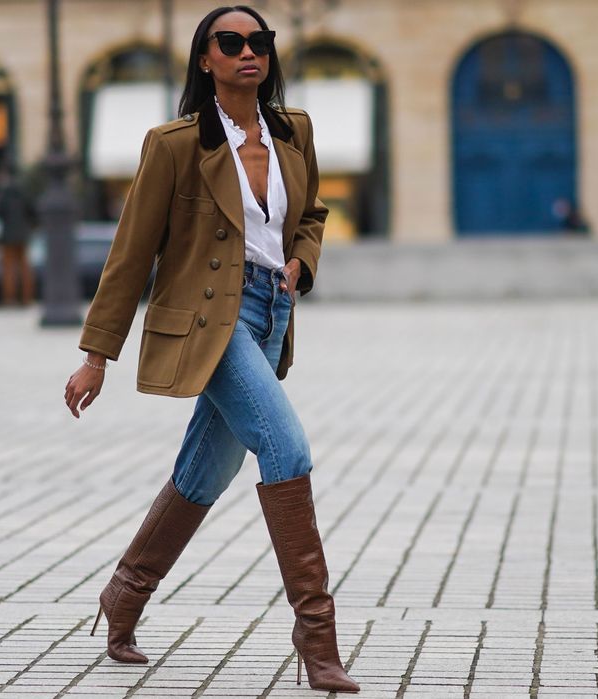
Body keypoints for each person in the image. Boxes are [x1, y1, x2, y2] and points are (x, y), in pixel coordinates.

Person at [64, 5, 359, 694]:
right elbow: (130, 253)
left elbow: (310, 212)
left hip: (270, 313)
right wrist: (95, 354)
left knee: (205, 470)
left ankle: (124, 594)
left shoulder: (294, 131)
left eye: (258, 42)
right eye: (230, 43)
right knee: (286, 448)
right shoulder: (174, 144)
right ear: (206, 59)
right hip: (206, 321)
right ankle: (318, 638)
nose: (247, 52)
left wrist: (300, 263)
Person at [0, 163, 36, 305]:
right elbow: (32, 210)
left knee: (8, 268)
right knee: (25, 267)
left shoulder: (1, 192)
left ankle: (10, 298)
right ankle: (27, 297)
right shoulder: (23, 190)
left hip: (7, 235)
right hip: (23, 234)